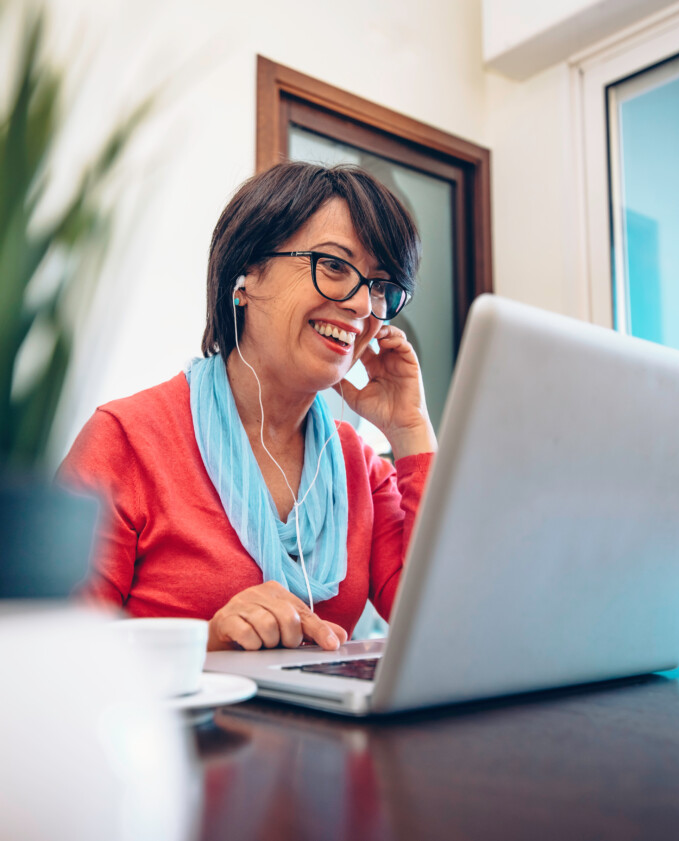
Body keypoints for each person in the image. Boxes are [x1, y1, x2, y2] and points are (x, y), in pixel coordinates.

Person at [59, 162, 436, 652]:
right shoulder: (125, 439)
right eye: (335, 266)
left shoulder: (358, 467)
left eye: (381, 285)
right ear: (247, 276)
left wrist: (411, 429)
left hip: (323, 730)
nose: (363, 306)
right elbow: (55, 652)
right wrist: (207, 643)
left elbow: (441, 621)